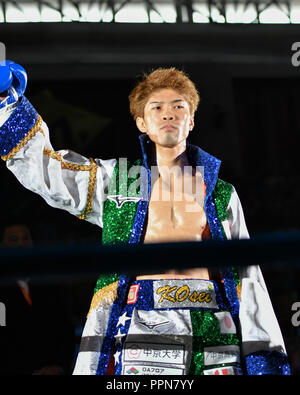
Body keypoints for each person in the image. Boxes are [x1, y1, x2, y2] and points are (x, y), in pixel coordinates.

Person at [0, 61, 290, 375]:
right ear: (141, 122)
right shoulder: (119, 182)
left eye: (178, 106)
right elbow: (50, 173)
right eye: (157, 107)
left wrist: (266, 361)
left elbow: (248, 278)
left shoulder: (220, 193)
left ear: (190, 120)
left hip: (215, 323)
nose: (168, 113)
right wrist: (6, 103)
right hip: (144, 322)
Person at [0, 222, 75, 375]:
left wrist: (58, 366)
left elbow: (65, 328)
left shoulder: (48, 283)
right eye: (14, 239)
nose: (21, 244)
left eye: (26, 238)